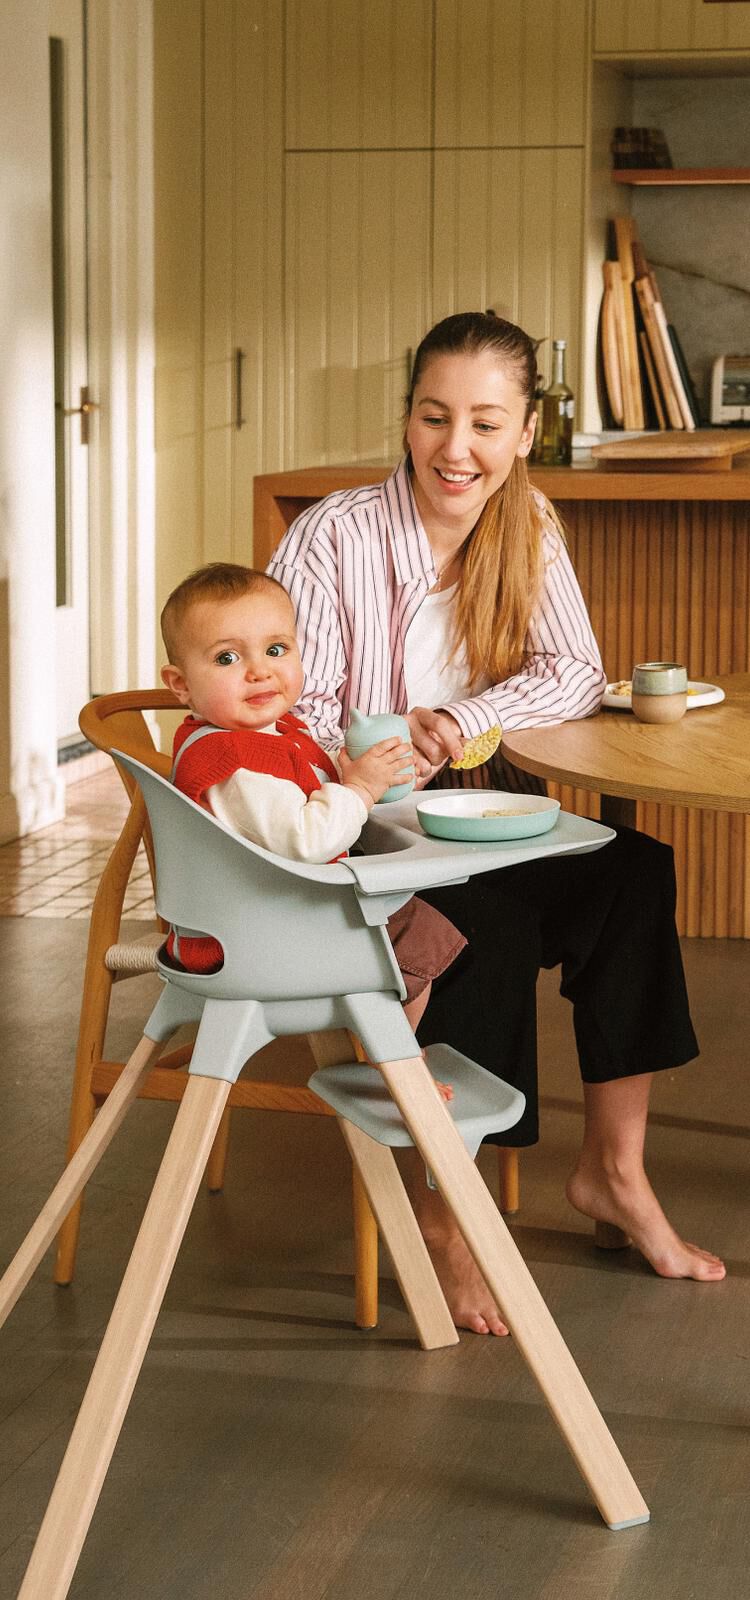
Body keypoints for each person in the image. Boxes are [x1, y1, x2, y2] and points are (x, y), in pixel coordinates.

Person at [268, 309, 725, 1334]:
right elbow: (287, 714)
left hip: (472, 822)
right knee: (491, 923)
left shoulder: (529, 525)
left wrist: (462, 720)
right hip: (360, 841)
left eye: (484, 422)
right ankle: (448, 1216)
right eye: (434, 417)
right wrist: (383, 750)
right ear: (407, 419)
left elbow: (572, 669)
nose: (455, 448)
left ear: (525, 433)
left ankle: (614, 1171)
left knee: (634, 872)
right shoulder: (335, 536)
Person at [159, 562, 466, 1084]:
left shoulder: (278, 735)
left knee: (411, 923)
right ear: (180, 685)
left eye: (276, 650)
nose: (259, 671)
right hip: (260, 936)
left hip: (261, 918)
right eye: (227, 658)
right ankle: (395, 1068)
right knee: (414, 935)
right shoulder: (235, 761)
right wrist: (360, 790)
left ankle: (387, 1059)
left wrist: (344, 775)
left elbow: (299, 803)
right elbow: (306, 839)